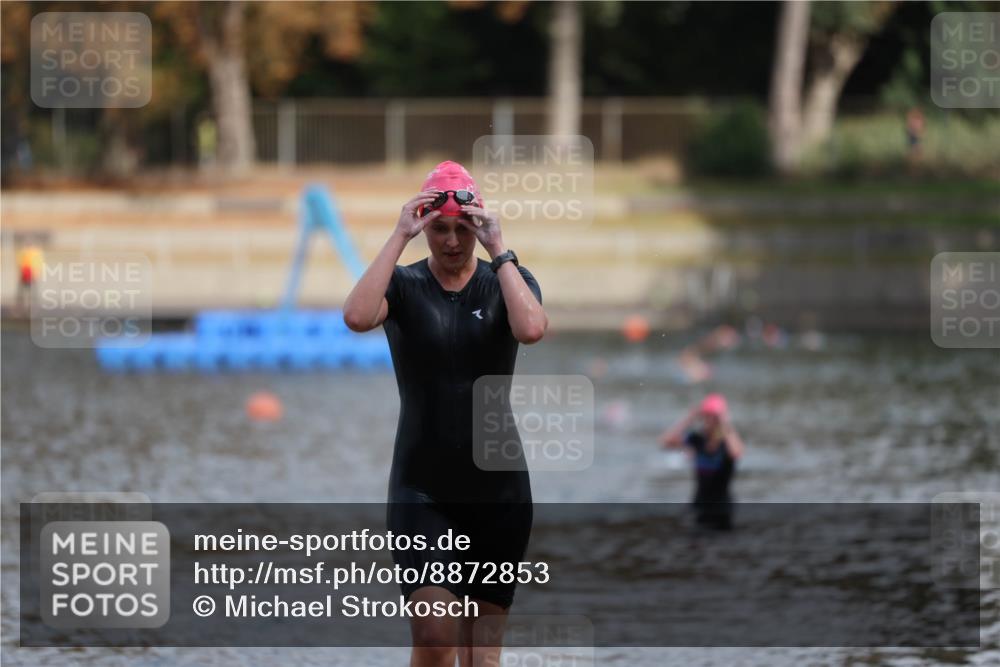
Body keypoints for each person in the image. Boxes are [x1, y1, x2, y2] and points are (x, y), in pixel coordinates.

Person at [343, 160, 548, 667]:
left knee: (482, 652)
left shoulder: (508, 281)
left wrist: (499, 249)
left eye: (462, 229)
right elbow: (356, 316)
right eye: (439, 229)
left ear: (476, 228)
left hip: (498, 491)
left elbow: (532, 329)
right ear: (425, 228)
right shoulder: (404, 286)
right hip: (422, 490)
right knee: (435, 638)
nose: (452, 241)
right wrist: (398, 235)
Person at [659, 393, 745, 529]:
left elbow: (737, 453)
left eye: (713, 417)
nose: (709, 421)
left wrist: (725, 423)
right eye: (706, 416)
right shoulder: (697, 440)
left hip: (722, 510)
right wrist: (689, 419)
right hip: (699, 505)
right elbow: (666, 442)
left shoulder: (726, 443)